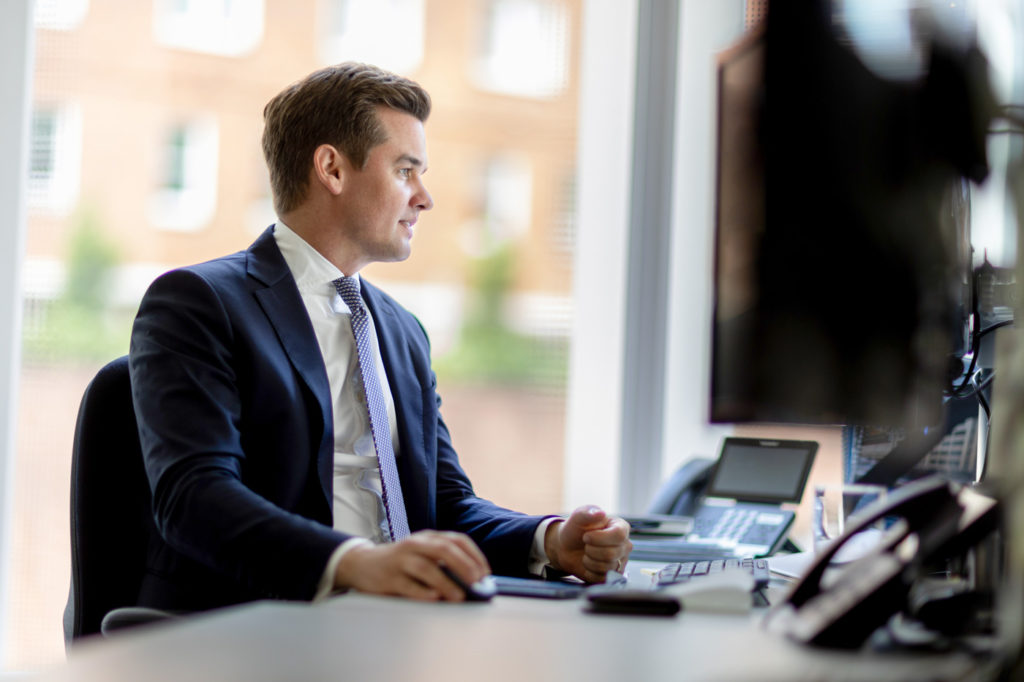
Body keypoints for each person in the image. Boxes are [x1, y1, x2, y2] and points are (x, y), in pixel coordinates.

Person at [128, 62, 632, 611]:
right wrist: (355, 563)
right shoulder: (199, 303)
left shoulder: (400, 331)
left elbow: (442, 504)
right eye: (405, 171)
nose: (425, 198)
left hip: (396, 621)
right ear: (332, 169)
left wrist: (550, 542)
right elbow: (194, 498)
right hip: (261, 622)